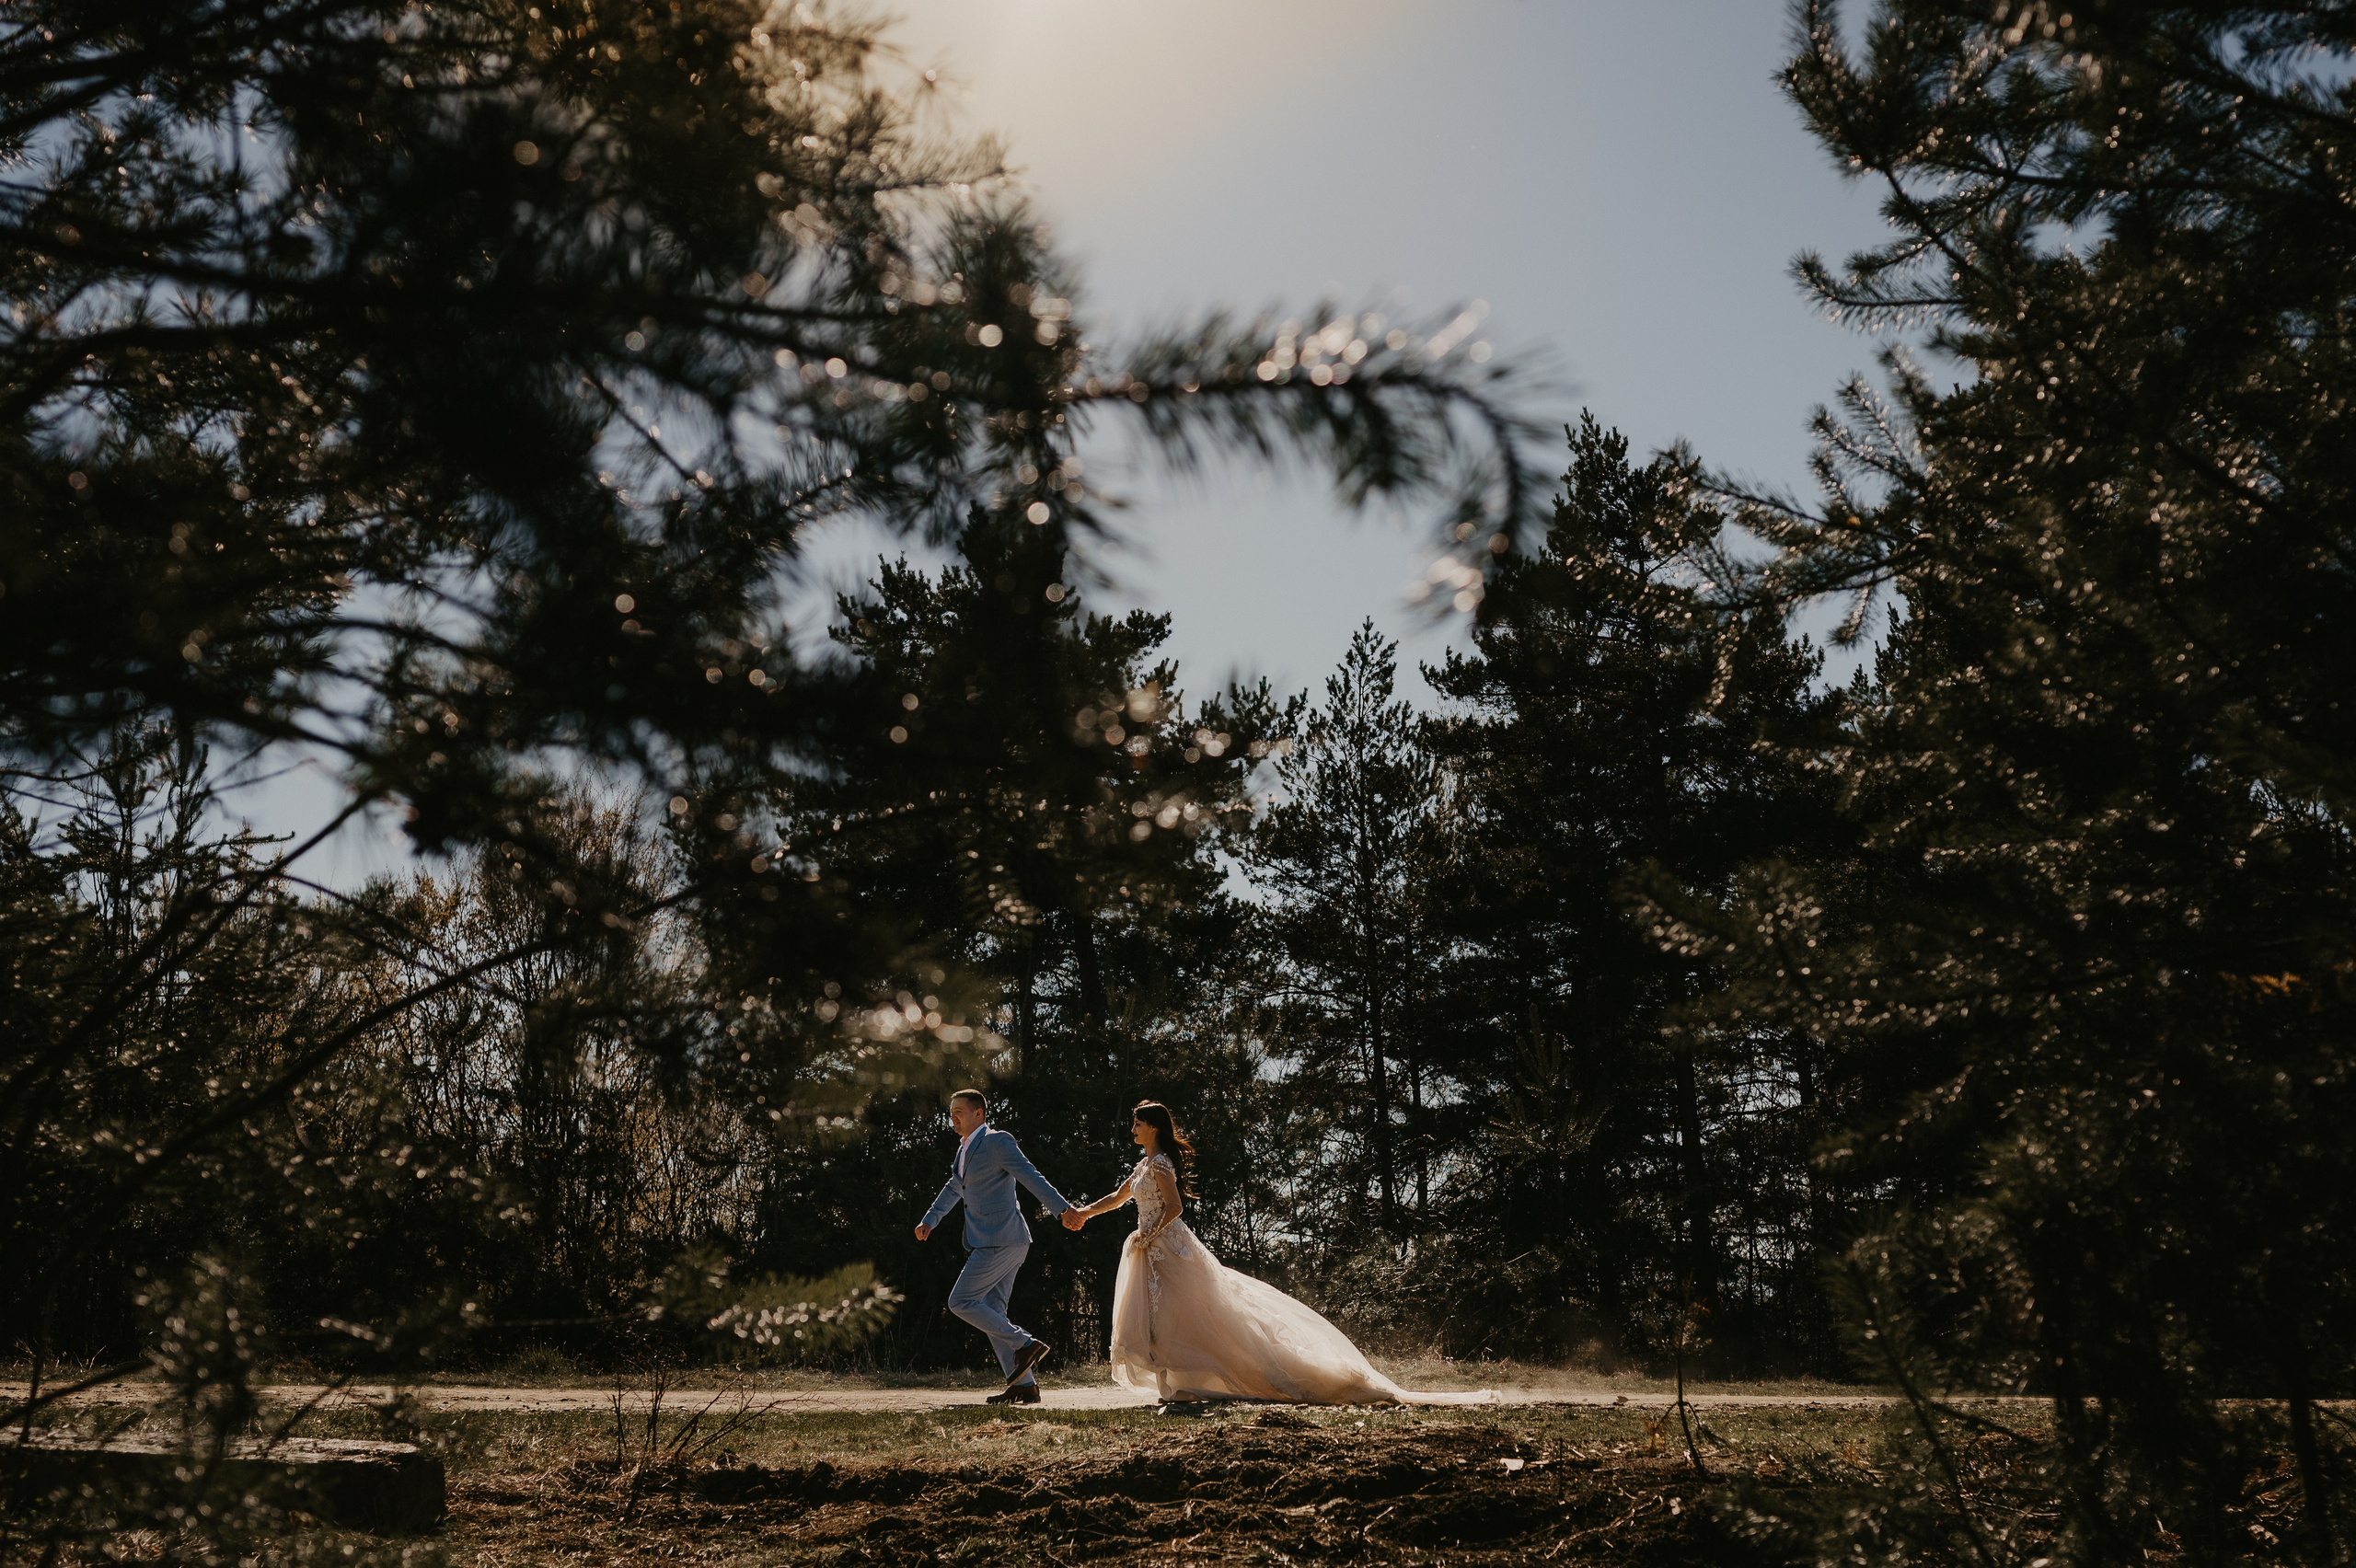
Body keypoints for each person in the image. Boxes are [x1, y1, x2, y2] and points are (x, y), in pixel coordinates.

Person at [1062, 1101, 1496, 1406]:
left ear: (1153, 1128)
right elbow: (1117, 1198)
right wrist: (1084, 1213)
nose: (1133, 1129)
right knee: (1165, 1318)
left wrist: (1149, 1233)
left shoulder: (1160, 1165)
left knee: (1197, 1315)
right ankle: (1176, 1383)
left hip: (1168, 1247)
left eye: (1138, 1124)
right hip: (1149, 1249)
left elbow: (1174, 1208)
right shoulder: (1143, 1165)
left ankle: (1211, 1379)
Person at [915, 1089, 1077, 1406]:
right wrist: (930, 1219)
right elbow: (954, 1187)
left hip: (1001, 1239)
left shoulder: (997, 1142)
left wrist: (1062, 1209)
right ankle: (1023, 1386)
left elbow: (1031, 1176)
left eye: (959, 1111)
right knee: (992, 1312)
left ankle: (1026, 1343)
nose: (953, 1117)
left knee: (961, 1301)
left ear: (979, 1114)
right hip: (998, 1240)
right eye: (950, 1112)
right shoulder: (964, 1149)